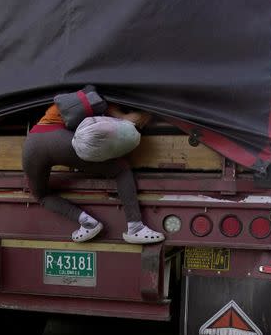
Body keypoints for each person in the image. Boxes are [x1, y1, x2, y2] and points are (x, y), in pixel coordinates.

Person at [22, 102, 165, 243]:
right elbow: (128, 119)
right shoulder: (100, 98)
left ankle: (87, 222)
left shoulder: (69, 99)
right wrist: (152, 111)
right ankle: (135, 228)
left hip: (32, 142)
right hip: (57, 138)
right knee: (120, 170)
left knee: (41, 195)